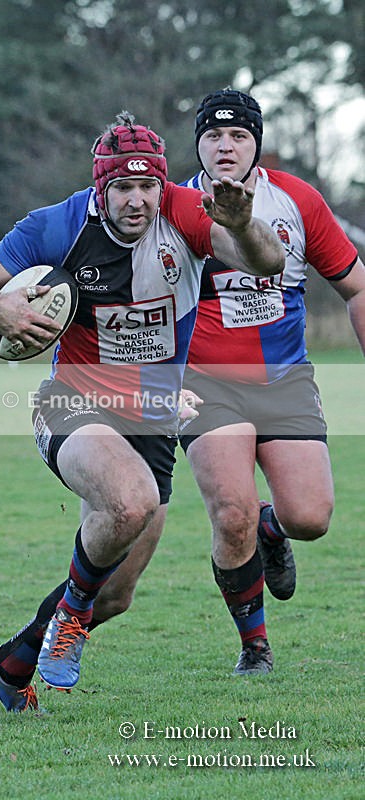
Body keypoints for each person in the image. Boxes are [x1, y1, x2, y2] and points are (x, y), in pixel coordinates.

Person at [0, 111, 284, 712]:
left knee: (115, 595)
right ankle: (67, 619)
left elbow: (266, 263)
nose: (136, 200)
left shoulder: (185, 211)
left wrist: (244, 222)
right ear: (101, 187)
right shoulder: (60, 223)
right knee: (129, 501)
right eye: (122, 188)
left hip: (152, 420)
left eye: (146, 186)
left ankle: (9, 665)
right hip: (72, 403)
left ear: (161, 183)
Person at [175, 88, 365, 675]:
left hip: (284, 382)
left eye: (238, 135)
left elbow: (355, 285)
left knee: (310, 518)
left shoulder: (298, 200)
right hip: (207, 386)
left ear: (257, 142)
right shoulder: (174, 205)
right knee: (230, 514)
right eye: (213, 135)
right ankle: (253, 646)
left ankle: (272, 527)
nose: (225, 145)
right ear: (199, 144)